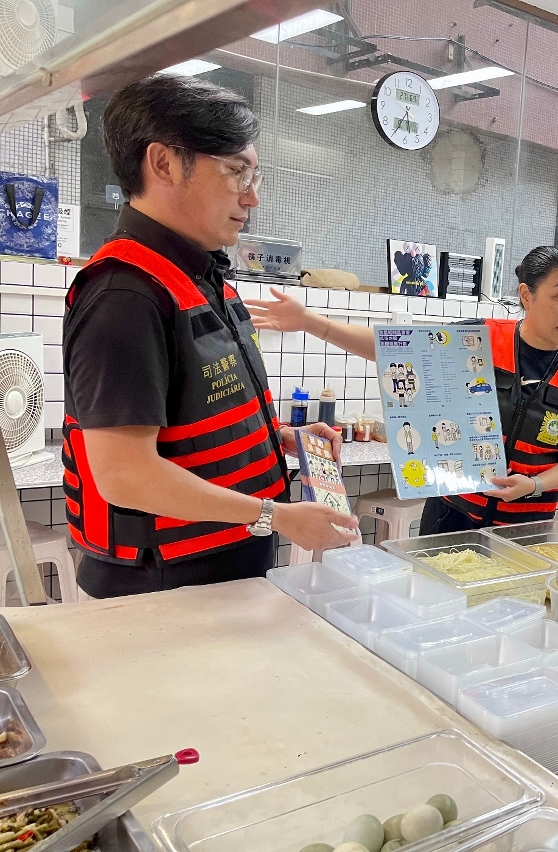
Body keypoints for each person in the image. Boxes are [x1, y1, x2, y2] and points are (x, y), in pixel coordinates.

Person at [62, 74, 357, 598]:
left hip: (222, 570)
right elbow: (125, 475)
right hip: (163, 587)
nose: (252, 197)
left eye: (254, 175)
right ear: (163, 163)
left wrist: (279, 440)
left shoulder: (200, 277)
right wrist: (275, 516)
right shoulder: (125, 294)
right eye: (235, 171)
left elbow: (196, 422)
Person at [247, 246, 558, 532]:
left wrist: (534, 485)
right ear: (527, 296)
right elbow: (392, 351)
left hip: (526, 527)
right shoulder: (478, 339)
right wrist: (312, 323)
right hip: (451, 517)